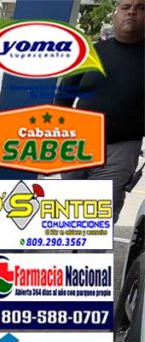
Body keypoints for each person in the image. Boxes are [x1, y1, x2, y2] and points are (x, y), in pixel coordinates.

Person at [56, 0, 145, 220]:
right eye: (126, 7)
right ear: (115, 15)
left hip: (121, 150)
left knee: (97, 218)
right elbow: (64, 95)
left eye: (141, 8)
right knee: (66, 213)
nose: (132, 12)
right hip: (78, 146)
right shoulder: (92, 53)